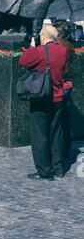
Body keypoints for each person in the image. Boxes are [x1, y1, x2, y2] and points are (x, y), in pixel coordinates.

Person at [18, 25, 68, 180]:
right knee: (56, 134)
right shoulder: (63, 51)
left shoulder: (40, 51)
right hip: (59, 97)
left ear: (44, 36)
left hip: (42, 98)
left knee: (40, 136)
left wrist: (32, 48)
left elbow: (23, 61)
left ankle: (44, 171)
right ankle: (58, 168)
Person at [51, 19, 75, 156]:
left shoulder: (59, 46)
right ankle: (65, 148)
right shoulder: (69, 45)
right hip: (66, 85)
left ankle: (60, 150)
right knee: (65, 119)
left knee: (57, 122)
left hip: (59, 85)